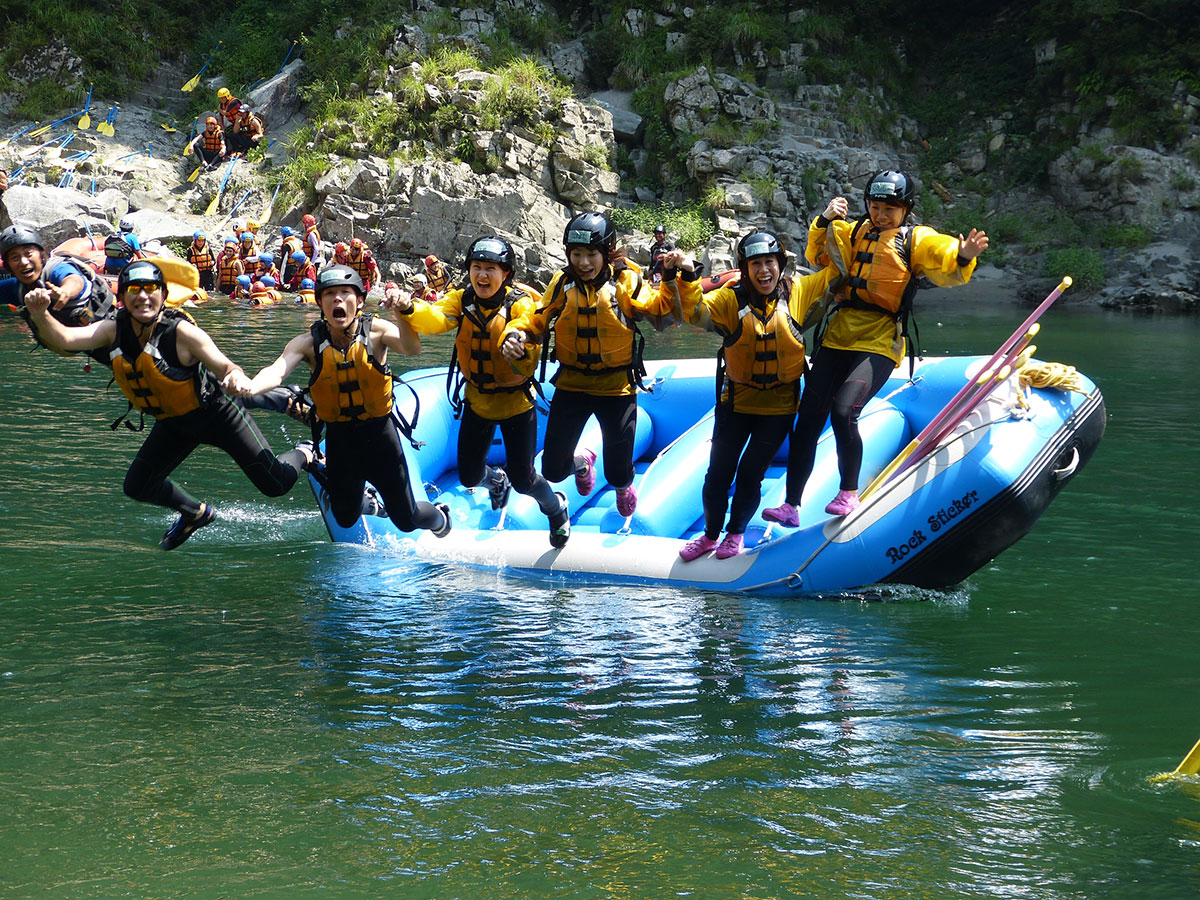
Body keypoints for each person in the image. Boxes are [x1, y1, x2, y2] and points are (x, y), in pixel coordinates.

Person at [21, 260, 316, 550]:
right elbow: (66, 338)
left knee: (275, 485)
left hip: (218, 416)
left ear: (163, 294)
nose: (143, 296)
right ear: (121, 296)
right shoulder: (113, 329)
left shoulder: (182, 333)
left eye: (151, 289)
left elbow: (226, 366)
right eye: (134, 289)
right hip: (174, 424)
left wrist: (236, 377)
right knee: (137, 486)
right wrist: (40, 313)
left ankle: (306, 452)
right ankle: (195, 513)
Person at [763, 169, 990, 525]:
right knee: (807, 418)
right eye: (875, 207)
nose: (881, 215)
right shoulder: (853, 232)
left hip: (880, 339)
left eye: (890, 209)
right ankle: (790, 505)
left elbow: (941, 254)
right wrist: (824, 220)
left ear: (906, 209)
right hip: (839, 333)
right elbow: (818, 256)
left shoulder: (915, 240)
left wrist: (961, 255)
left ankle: (848, 494)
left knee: (843, 412)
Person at [236, 265, 451, 539]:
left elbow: (411, 348)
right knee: (345, 518)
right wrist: (252, 387)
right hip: (341, 439)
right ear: (320, 303)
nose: (337, 299)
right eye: (329, 294)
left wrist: (403, 312)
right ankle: (363, 497)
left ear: (359, 301)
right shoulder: (307, 343)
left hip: (381, 436)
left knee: (408, 520)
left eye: (345, 293)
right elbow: (277, 370)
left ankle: (441, 516)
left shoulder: (376, 331)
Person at [385, 236, 571, 548]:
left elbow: (527, 330)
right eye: (476, 267)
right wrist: (408, 306)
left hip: (516, 404)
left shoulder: (520, 304)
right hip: (478, 400)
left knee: (524, 480)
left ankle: (556, 509)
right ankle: (496, 482)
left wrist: (518, 345)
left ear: (506, 274)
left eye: (490, 269)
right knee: (469, 477)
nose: (482, 275)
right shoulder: (461, 300)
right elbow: (435, 319)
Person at [668, 233, 833, 561]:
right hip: (736, 405)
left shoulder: (798, 292)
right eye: (755, 264)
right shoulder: (730, 300)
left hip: (779, 409)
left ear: (780, 265)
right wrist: (687, 273)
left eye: (769, 262)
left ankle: (736, 533)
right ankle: (710, 536)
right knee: (717, 475)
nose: (763, 270)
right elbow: (694, 312)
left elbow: (835, 273)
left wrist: (828, 222)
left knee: (750, 474)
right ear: (744, 269)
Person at [506, 212, 679, 517]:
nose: (583, 263)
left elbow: (662, 313)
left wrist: (671, 278)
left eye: (591, 254)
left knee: (617, 473)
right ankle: (583, 464)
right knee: (553, 469)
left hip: (616, 388)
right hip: (572, 385)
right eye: (576, 254)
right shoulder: (562, 283)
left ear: (607, 253)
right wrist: (517, 335)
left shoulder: (626, 281)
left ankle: (623, 486)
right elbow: (536, 321)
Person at [1, 224, 115, 359]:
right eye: (15, 258)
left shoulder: (56, 269)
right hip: (100, 354)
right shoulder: (16, 288)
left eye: (28, 254)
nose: (23, 262)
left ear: (41, 255)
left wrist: (65, 292)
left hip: (119, 340)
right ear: (8, 265)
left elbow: (75, 280)